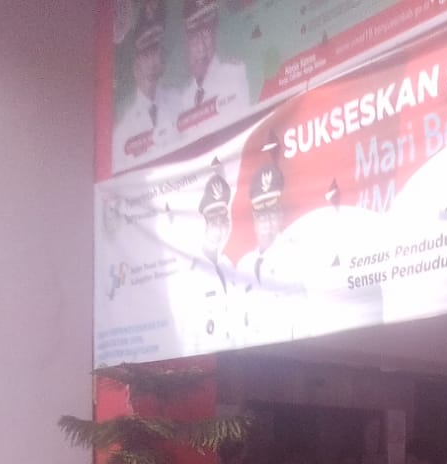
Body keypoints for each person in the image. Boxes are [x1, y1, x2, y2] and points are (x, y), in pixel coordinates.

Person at [236, 150, 306, 342]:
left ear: (280, 215)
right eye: (261, 214)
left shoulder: (294, 255)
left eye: (272, 212)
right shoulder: (244, 265)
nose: (267, 220)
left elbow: (303, 317)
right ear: (253, 219)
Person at [180, 159, 239, 353]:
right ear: (203, 220)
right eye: (213, 217)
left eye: (223, 216)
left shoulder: (229, 265)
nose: (219, 223)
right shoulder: (188, 272)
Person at [174, 0, 251, 135]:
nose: (202, 47)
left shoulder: (234, 75)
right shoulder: (185, 98)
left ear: (214, 34)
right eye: (195, 38)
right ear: (187, 43)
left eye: (206, 34)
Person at [112, 0, 173, 165]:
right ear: (136, 64)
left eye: (155, 52)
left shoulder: (178, 101)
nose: (152, 61)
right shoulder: (123, 131)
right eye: (146, 54)